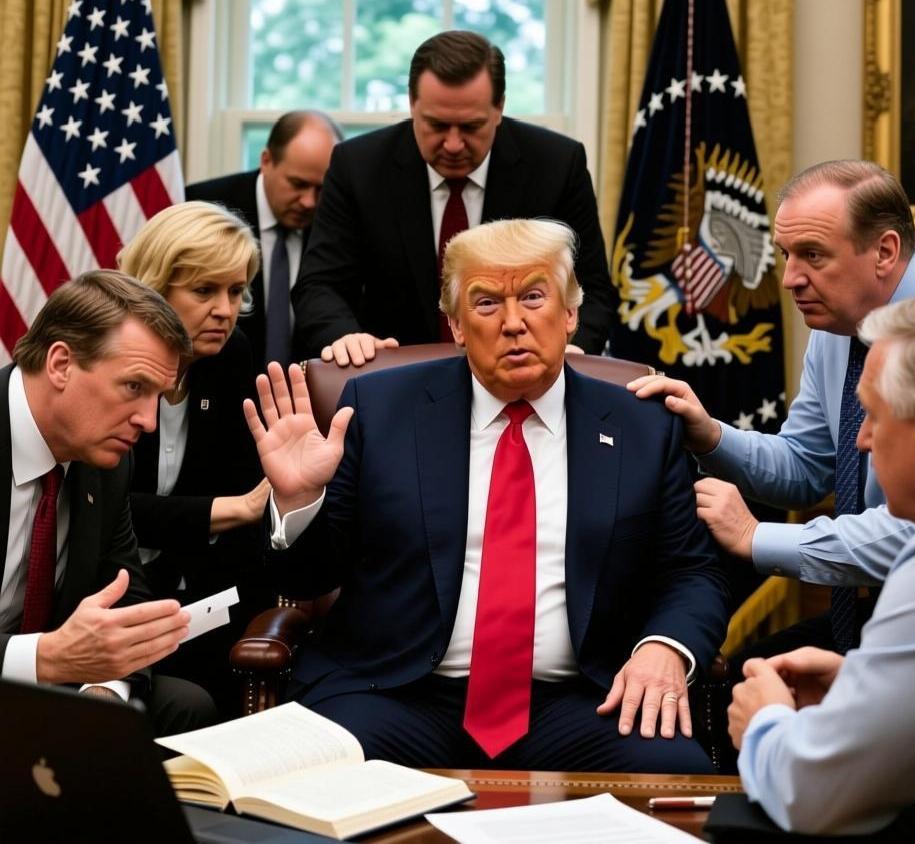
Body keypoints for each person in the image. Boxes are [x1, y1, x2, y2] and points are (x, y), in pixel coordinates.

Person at [248, 219, 729, 772]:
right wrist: (299, 501)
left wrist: (665, 646)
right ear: (456, 325)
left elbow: (693, 571)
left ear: (570, 314)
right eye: (486, 303)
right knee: (300, 771)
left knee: (678, 775)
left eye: (534, 297)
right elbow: (307, 579)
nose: (513, 322)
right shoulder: (379, 409)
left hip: (581, 698)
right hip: (395, 692)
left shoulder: (641, 424)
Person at [631, 160, 915, 663]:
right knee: (734, 687)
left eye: (813, 255)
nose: (790, 279)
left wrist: (755, 537)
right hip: (888, 605)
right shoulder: (839, 319)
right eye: (786, 255)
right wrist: (711, 438)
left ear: (885, 251)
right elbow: (807, 466)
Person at [728, 290, 915, 843]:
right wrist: (869, 690)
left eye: (872, 414)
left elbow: (815, 794)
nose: (861, 440)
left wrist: (765, 722)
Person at [292, 30, 617, 366]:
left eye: (471, 127)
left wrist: (572, 350)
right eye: (437, 125)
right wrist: (346, 338)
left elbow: (593, 289)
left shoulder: (556, 165)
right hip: (393, 375)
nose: (453, 144)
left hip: (522, 374)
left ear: (499, 108)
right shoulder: (358, 166)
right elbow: (319, 285)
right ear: (412, 104)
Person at [0, 270, 216, 735]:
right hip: (22, 668)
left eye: (159, 397)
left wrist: (103, 691)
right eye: (134, 387)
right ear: (61, 364)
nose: (149, 421)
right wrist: (45, 657)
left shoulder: (109, 464)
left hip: (49, 686)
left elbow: (124, 593)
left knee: (186, 705)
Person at [117, 202, 270, 716]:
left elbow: (240, 481)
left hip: (198, 597)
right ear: (156, 288)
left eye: (236, 291)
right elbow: (110, 508)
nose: (225, 310)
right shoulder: (110, 360)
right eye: (204, 291)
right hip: (103, 592)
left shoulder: (231, 355)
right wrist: (231, 510)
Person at [186, 110, 342, 366]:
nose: (309, 202)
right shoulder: (204, 206)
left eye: (321, 189)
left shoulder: (336, 221)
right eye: (298, 184)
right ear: (266, 161)